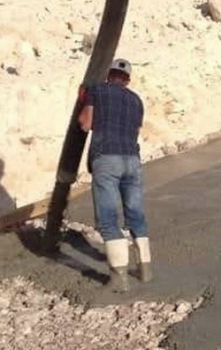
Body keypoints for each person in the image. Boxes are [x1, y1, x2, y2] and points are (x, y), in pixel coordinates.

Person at [78, 58, 152, 292]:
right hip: (131, 159)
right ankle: (145, 270)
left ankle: (119, 279)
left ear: (108, 74)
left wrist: (84, 106)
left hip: (107, 158)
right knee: (135, 214)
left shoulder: (97, 90)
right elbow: (137, 130)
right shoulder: (136, 100)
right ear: (128, 79)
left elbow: (85, 124)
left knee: (108, 218)